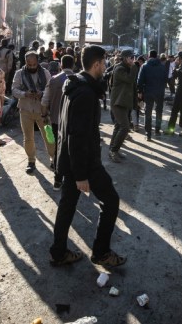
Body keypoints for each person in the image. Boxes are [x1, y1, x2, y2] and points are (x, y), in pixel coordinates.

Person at [49, 45, 127, 268]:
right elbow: (77, 136)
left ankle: (58, 252)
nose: (106, 66)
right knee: (111, 201)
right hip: (83, 162)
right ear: (96, 64)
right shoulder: (84, 93)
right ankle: (101, 253)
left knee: (67, 207)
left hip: (71, 159)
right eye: (104, 62)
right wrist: (81, 175)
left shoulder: (75, 84)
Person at [12, 50, 54, 174]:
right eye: (29, 65)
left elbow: (50, 89)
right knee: (28, 137)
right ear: (25, 62)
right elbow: (14, 90)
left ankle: (53, 159)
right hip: (25, 109)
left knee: (49, 136)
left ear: (37, 62)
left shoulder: (45, 73)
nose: (31, 67)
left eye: (33, 65)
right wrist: (25, 94)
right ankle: (31, 161)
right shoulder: (19, 73)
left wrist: (41, 93)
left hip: (43, 110)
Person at [42, 54, 75, 190]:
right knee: (72, 150)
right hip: (73, 122)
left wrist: (44, 115)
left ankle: (57, 180)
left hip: (56, 121)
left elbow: (45, 101)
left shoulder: (53, 80)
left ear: (61, 64)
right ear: (73, 65)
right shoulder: (78, 80)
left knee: (58, 150)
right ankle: (72, 179)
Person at [108, 49, 136, 162]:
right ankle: (114, 151)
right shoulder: (120, 68)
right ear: (125, 58)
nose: (133, 59)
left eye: (133, 57)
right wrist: (134, 67)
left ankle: (113, 150)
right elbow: (130, 80)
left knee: (118, 126)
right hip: (117, 102)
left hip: (122, 102)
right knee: (125, 127)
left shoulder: (125, 68)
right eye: (131, 57)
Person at [137, 50, 168, 141]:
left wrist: (140, 91)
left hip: (148, 92)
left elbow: (140, 80)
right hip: (159, 92)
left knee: (148, 113)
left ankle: (148, 133)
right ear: (157, 56)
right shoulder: (162, 66)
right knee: (159, 111)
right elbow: (166, 79)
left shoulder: (144, 66)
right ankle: (157, 130)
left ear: (149, 56)